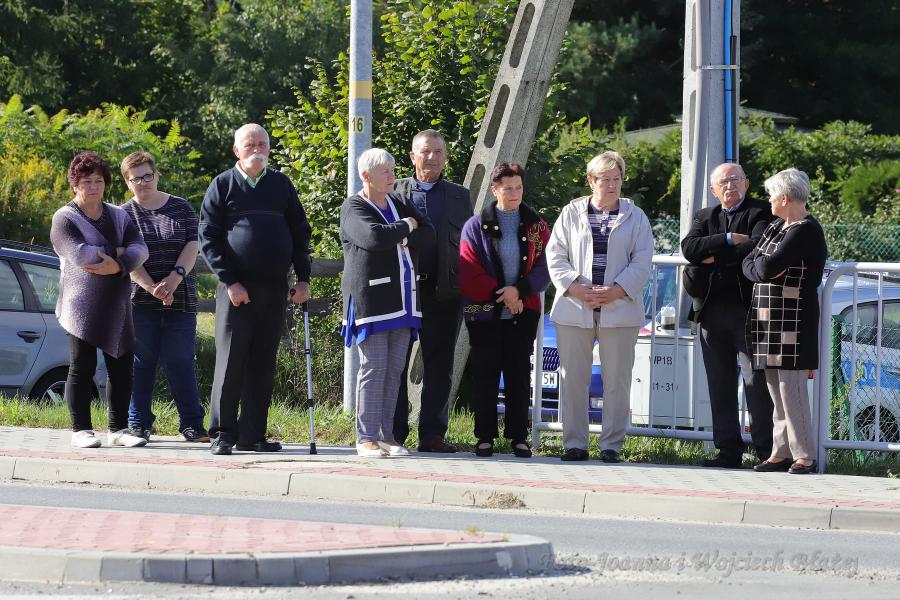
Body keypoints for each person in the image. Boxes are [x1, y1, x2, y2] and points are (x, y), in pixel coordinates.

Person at [199, 123, 311, 456]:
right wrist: (230, 281)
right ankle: (222, 433)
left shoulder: (281, 184)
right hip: (236, 289)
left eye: (262, 144)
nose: (257, 150)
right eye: (250, 145)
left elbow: (300, 232)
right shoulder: (222, 184)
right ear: (237, 150)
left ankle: (252, 434)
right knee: (230, 363)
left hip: (275, 288)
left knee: (263, 363)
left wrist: (303, 278)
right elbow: (208, 238)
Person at [546, 151, 653, 463]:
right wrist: (575, 287)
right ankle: (575, 444)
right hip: (574, 307)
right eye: (605, 179)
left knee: (617, 381)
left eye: (616, 179)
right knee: (572, 379)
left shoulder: (636, 216)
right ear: (591, 181)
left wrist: (616, 291)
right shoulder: (570, 213)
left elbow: (642, 260)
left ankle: (611, 446)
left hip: (619, 309)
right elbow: (555, 255)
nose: (612, 185)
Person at [50, 151, 149, 449]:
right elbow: (82, 255)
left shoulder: (119, 215)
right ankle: (81, 430)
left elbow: (141, 249)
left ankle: (118, 429)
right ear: (74, 184)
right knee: (82, 365)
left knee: (121, 366)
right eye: (86, 181)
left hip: (116, 301)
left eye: (98, 181)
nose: (93, 187)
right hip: (79, 304)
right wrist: (118, 252)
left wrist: (117, 264)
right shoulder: (64, 218)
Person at [340, 148, 434, 457]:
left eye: (393, 170)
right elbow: (374, 238)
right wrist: (406, 227)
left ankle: (386, 436)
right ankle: (365, 437)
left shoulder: (398, 202)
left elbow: (429, 234)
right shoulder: (354, 206)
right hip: (373, 301)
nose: (392, 175)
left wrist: (401, 234)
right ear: (366, 175)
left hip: (404, 300)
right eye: (385, 171)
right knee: (374, 367)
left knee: (394, 370)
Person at [681, 162, 775, 468]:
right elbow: (689, 249)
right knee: (719, 384)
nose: (730, 186)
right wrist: (727, 239)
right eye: (724, 182)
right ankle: (728, 451)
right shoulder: (704, 216)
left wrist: (711, 258)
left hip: (749, 311)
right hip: (710, 311)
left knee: (756, 384)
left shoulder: (761, 212)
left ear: (747, 183)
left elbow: (755, 248)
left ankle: (766, 451)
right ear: (713, 190)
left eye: (736, 179)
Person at [459, 162, 550, 458]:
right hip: (484, 310)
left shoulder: (537, 226)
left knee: (518, 374)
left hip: (524, 310)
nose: (514, 193)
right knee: (485, 373)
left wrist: (519, 291)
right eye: (508, 188)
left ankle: (518, 437)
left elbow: (546, 266)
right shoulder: (475, 226)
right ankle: (484, 436)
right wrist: (505, 295)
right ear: (494, 189)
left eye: (519, 187)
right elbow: (469, 269)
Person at [392, 129, 473, 453]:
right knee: (396, 362)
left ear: (446, 157)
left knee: (440, 365)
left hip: (444, 293)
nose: (431, 158)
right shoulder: (394, 191)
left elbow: (468, 244)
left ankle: (432, 434)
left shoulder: (459, 196)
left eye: (438, 152)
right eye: (425, 152)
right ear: (412, 156)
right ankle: (394, 432)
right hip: (401, 292)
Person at [743, 168, 827, 474]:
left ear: (785, 197)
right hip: (768, 319)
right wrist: (761, 267)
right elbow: (749, 262)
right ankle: (780, 452)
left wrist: (761, 267)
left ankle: (804, 454)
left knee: (792, 390)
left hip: (794, 321)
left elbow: (764, 268)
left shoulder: (806, 230)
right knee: (775, 390)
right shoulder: (776, 226)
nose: (768, 201)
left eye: (771, 195)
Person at [120, 152, 208, 443]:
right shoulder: (122, 215)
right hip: (139, 302)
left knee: (180, 360)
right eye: (136, 178)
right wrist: (151, 287)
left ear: (156, 175)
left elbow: (192, 245)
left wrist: (173, 280)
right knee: (140, 363)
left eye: (147, 175)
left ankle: (192, 424)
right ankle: (138, 424)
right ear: (127, 182)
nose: (143, 182)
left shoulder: (181, 207)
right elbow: (127, 257)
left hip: (180, 300)